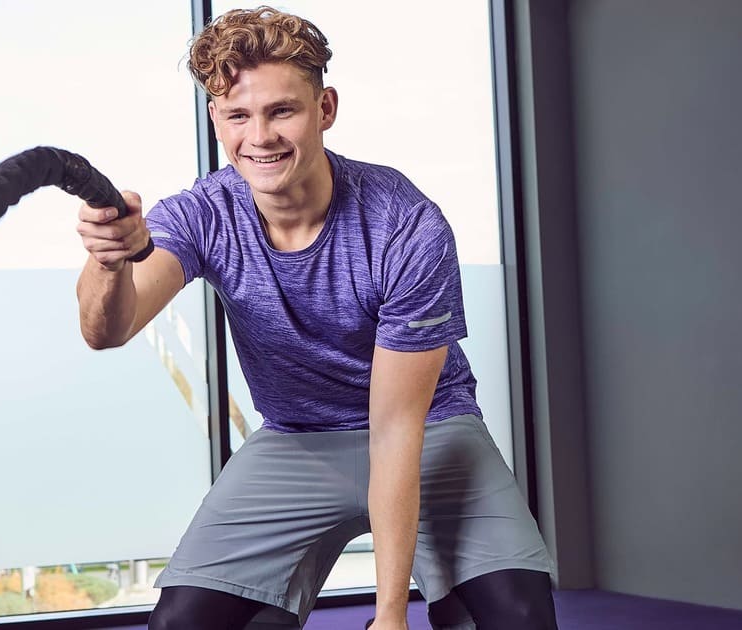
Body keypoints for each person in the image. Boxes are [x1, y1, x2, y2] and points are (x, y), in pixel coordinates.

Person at [74, 7, 557, 629]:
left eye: (282, 111)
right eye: (238, 115)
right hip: (296, 439)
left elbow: (395, 430)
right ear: (216, 119)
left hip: (431, 432)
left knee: (517, 618)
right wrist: (108, 262)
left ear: (324, 108)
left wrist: (389, 616)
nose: (260, 137)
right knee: (182, 624)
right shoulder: (204, 214)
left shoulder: (405, 224)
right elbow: (107, 330)